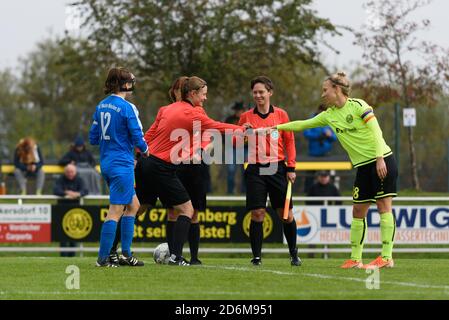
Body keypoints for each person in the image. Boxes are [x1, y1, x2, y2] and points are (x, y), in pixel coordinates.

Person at [269, 71, 398, 269]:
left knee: (383, 207)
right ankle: (355, 259)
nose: (323, 94)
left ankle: (387, 256)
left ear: (336, 89)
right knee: (357, 211)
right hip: (362, 167)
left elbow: (376, 131)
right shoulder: (329, 115)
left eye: (325, 90)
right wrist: (275, 128)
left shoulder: (359, 106)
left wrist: (380, 158)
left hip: (382, 160)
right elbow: (303, 124)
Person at [136, 76, 248, 266]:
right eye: (203, 94)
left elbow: (148, 135)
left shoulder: (168, 109)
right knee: (187, 210)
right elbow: (216, 126)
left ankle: (111, 251)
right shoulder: (194, 113)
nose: (205, 98)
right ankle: (176, 257)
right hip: (161, 167)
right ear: (193, 93)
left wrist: (137, 153)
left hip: (147, 162)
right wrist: (240, 128)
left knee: (133, 209)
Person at [238, 76, 301, 267]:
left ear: (270, 93)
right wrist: (243, 134)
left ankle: (293, 254)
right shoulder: (246, 117)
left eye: (261, 92)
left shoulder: (281, 115)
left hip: (278, 168)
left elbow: (289, 141)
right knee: (258, 213)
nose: (258, 95)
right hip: (255, 169)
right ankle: (256, 257)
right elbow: (236, 143)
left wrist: (291, 167)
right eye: (255, 92)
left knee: (286, 214)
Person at [89, 67, 149, 267]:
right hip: (121, 164)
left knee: (134, 206)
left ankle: (125, 254)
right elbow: (136, 134)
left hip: (106, 162)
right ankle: (103, 258)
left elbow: (93, 138)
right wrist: (145, 149)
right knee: (115, 210)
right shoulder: (127, 107)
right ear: (125, 84)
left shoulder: (101, 105)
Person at [53, 163, 88, 257]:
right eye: (68, 172)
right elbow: (56, 190)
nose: (70, 173)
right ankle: (63, 257)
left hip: (75, 212)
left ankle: (72, 256)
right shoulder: (60, 179)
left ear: (75, 172)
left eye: (72, 171)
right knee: (62, 235)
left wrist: (77, 194)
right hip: (62, 211)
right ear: (65, 172)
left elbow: (85, 191)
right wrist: (66, 193)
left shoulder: (79, 179)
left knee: (74, 235)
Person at [303, 105, 337, 193]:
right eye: (322, 112)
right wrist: (318, 136)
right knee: (309, 177)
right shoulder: (311, 120)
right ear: (318, 110)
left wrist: (330, 135)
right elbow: (306, 133)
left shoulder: (330, 120)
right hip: (313, 154)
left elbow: (336, 137)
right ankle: (308, 196)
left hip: (326, 155)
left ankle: (331, 195)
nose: (324, 114)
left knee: (328, 176)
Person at [224, 102, 247, 194]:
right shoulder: (229, 120)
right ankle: (230, 192)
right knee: (231, 170)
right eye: (237, 110)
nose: (239, 112)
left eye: (241, 110)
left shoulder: (248, 119)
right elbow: (224, 133)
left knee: (245, 170)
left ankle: (245, 191)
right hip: (231, 148)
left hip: (245, 148)